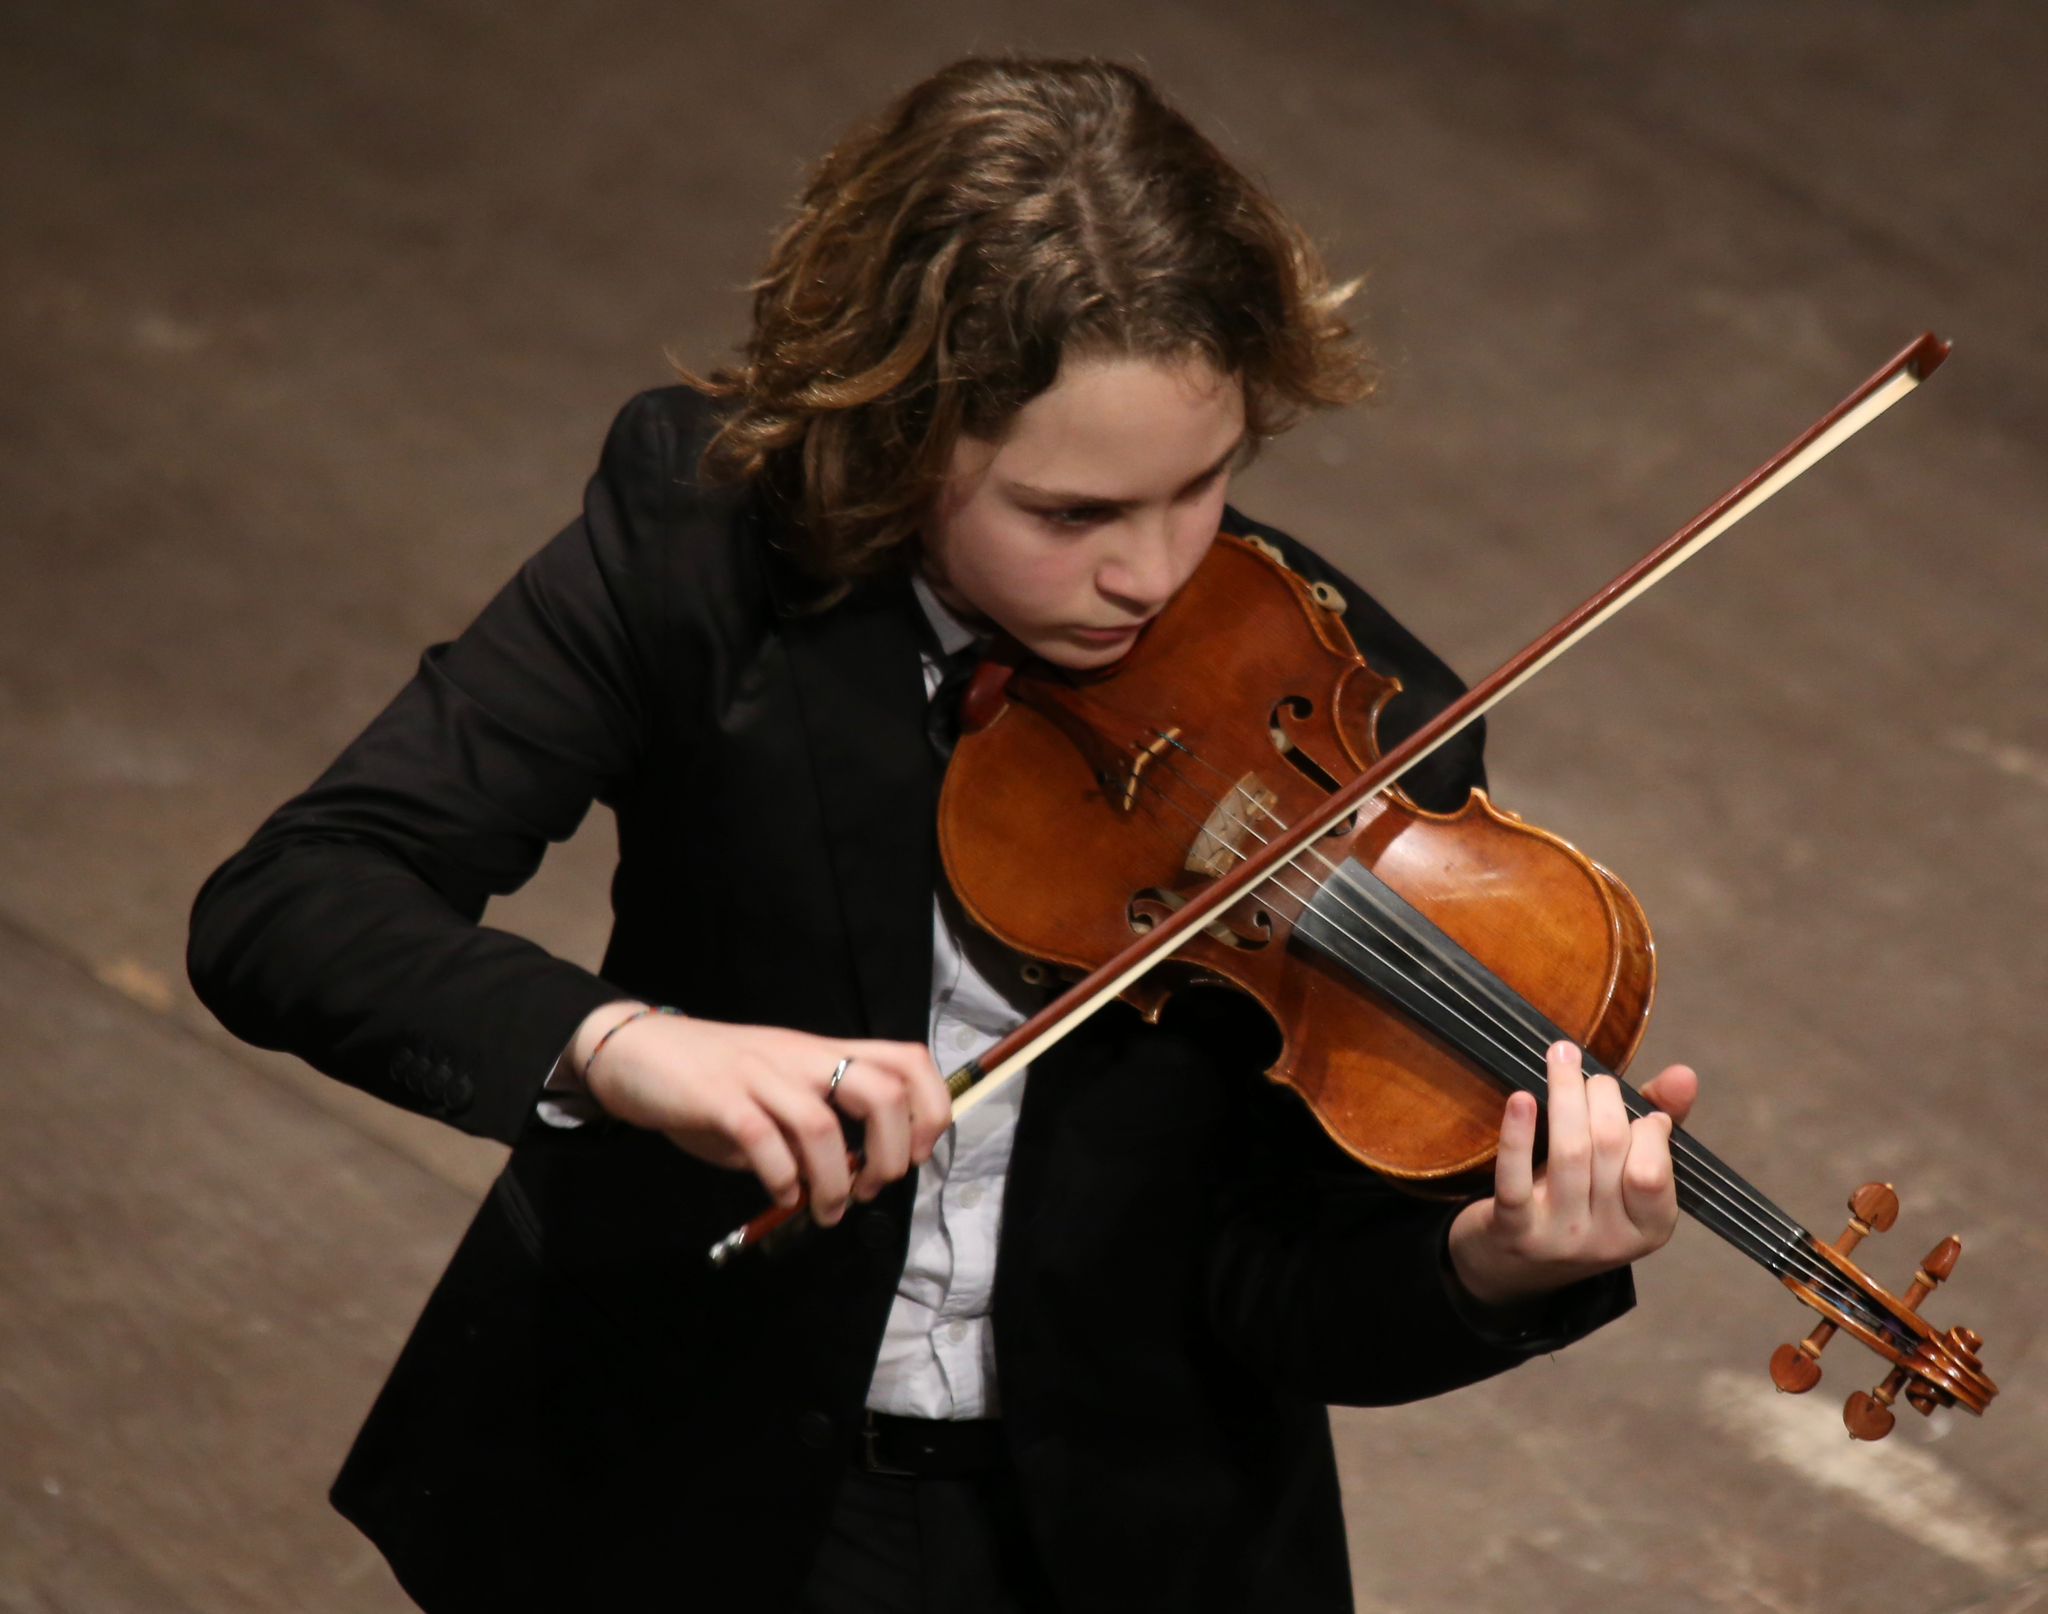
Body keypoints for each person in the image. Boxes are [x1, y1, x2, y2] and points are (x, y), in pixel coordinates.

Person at [187, 55, 1698, 1614]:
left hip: (1112, 1550)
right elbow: (292, 904)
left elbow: (1272, 1295)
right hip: (676, 1488)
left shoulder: (1360, 729)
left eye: (1205, 484)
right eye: (1069, 516)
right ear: (901, 430)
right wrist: (625, 1045)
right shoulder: (702, 553)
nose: (1156, 572)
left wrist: (1492, 1268)